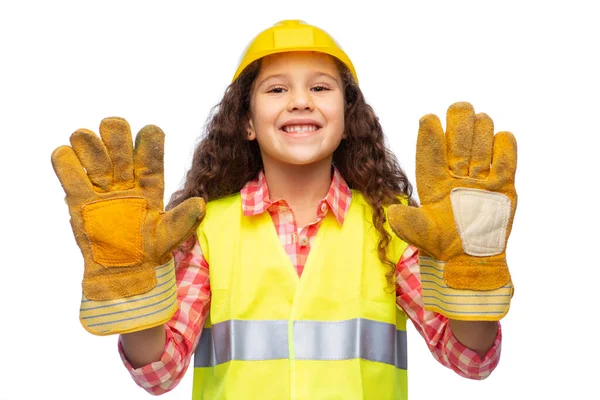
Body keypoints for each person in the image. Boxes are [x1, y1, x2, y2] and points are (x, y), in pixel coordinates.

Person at [52, 19, 517, 400]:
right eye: (276, 90)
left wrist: (471, 267)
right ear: (247, 122)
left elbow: (469, 358)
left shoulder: (392, 227)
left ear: (347, 118)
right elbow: (161, 372)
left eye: (320, 87)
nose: (300, 101)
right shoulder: (207, 229)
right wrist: (132, 282)